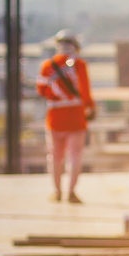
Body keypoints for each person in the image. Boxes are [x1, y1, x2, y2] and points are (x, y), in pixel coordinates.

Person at [38, 29, 95, 203]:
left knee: (55, 158)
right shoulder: (79, 65)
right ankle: (71, 192)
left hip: (55, 119)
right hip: (76, 119)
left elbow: (41, 89)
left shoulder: (48, 66)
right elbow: (85, 91)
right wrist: (90, 107)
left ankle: (57, 192)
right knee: (75, 156)